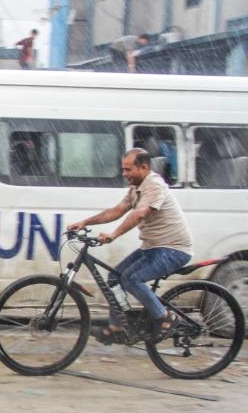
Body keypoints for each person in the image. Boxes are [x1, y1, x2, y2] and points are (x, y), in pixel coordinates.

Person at [66, 147, 193, 345]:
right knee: (115, 277)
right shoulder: (136, 188)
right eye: (123, 170)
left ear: (144, 167)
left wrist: (113, 235)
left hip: (173, 249)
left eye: (128, 170)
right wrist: (85, 222)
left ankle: (165, 318)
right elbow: (116, 211)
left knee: (132, 279)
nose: (124, 174)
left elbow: (139, 214)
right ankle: (118, 327)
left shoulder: (154, 185)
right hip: (152, 247)